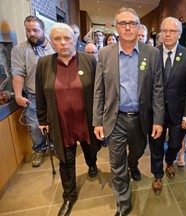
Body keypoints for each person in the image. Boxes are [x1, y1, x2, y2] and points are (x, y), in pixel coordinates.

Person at [93, 7, 164, 215]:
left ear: (138, 26)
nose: (127, 27)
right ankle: (123, 204)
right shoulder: (105, 54)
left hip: (141, 119)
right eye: (123, 23)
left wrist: (158, 120)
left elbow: (158, 89)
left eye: (132, 23)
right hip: (115, 119)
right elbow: (99, 90)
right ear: (116, 28)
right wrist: (97, 121)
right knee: (117, 164)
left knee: (137, 153)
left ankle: (133, 165)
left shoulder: (151, 54)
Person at [35, 23, 101, 216]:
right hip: (61, 123)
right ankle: (69, 196)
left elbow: (99, 93)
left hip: (86, 121)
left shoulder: (89, 61)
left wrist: (100, 120)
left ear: (75, 39)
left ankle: (92, 164)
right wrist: (42, 119)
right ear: (51, 41)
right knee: (66, 160)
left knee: (91, 150)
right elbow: (40, 93)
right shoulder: (44, 63)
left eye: (67, 38)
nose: (63, 43)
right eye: (57, 39)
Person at [149, 17, 186, 196]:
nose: (168, 34)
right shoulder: (152, 53)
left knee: (176, 144)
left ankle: (170, 162)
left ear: (179, 34)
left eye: (173, 31)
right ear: (160, 33)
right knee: (156, 145)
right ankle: (157, 175)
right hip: (156, 111)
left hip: (179, 112)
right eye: (165, 30)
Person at [11, 15, 55, 167]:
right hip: (34, 95)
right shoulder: (19, 50)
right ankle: (39, 149)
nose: (32, 34)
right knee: (35, 125)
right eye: (28, 30)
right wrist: (17, 95)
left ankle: (56, 147)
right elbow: (18, 74)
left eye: (35, 30)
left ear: (43, 30)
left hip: (55, 94)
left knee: (57, 122)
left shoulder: (55, 46)